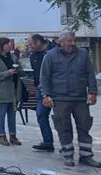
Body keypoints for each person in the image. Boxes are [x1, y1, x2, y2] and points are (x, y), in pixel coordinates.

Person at [40, 31, 99, 167]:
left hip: (80, 99)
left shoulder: (83, 54)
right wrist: (46, 95)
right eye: (69, 41)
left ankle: (86, 156)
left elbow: (90, 73)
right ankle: (68, 155)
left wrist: (93, 92)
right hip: (60, 99)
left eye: (73, 40)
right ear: (60, 42)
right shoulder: (50, 56)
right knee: (63, 128)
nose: (72, 43)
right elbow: (45, 78)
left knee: (84, 127)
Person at [0, 37, 23, 146]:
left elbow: (19, 68)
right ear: (0, 46)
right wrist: (7, 73)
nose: (9, 46)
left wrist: (18, 69)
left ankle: (13, 135)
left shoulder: (12, 56)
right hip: (1, 91)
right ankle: (1, 136)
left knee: (12, 114)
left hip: (13, 90)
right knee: (1, 113)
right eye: (7, 44)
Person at [29, 34, 56, 151]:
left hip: (57, 89)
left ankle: (66, 144)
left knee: (61, 118)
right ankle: (48, 142)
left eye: (31, 44)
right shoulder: (33, 56)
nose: (29, 46)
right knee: (41, 115)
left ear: (39, 42)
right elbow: (36, 72)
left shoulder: (55, 51)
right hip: (41, 89)